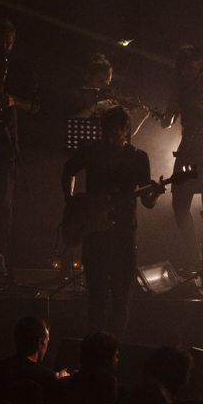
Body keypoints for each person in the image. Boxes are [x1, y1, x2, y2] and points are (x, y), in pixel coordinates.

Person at [61, 106, 163, 333]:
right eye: (105, 131)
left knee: (121, 299)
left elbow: (147, 201)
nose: (108, 136)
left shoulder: (138, 158)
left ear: (126, 130)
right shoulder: (92, 151)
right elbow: (68, 170)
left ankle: (116, 350)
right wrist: (72, 203)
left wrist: (154, 193)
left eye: (113, 131)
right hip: (94, 233)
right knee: (96, 296)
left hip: (123, 234)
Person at [0, 19, 39, 279]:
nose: (6, 46)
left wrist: (12, 100)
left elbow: (36, 106)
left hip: (7, 144)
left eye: (9, 42)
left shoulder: (21, 71)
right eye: (2, 42)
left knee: (3, 204)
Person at [160, 44, 203, 280]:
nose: (187, 71)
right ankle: (193, 255)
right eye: (184, 68)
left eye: (192, 67)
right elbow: (166, 122)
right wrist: (169, 111)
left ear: (200, 64)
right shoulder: (180, 87)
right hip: (188, 150)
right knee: (179, 205)